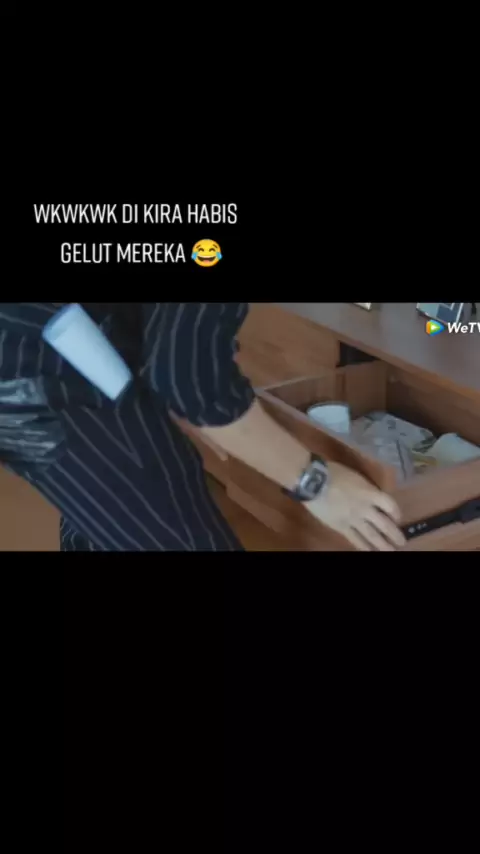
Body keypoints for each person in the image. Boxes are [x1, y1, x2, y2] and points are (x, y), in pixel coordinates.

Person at [0, 302, 405, 551]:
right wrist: (319, 484)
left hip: (67, 340)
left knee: (106, 518)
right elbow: (187, 380)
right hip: (40, 371)